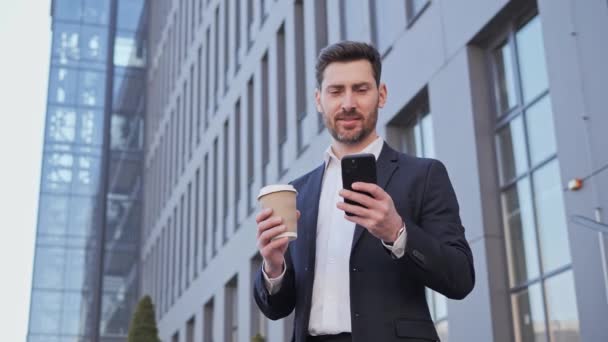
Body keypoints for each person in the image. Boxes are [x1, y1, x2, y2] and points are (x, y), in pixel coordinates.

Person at [253, 41, 475, 342]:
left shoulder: (423, 175)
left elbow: (460, 277)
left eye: (360, 89)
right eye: (336, 91)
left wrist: (397, 232)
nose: (347, 103)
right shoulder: (298, 192)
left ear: (381, 95)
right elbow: (276, 308)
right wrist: (274, 265)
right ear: (319, 100)